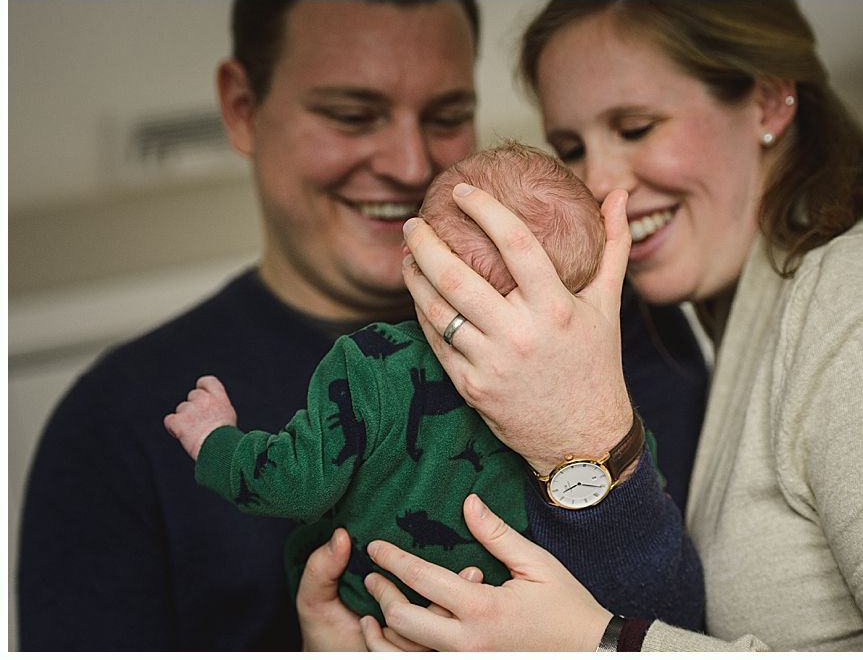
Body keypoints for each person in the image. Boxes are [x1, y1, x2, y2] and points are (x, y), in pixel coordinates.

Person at [298, 0, 863, 652]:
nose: (602, 184)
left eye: (635, 128)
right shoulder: (747, 316)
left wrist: (599, 642)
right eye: (570, 148)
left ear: (769, 100)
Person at [17, 1, 708, 651]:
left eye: (446, 115)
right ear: (242, 108)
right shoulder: (115, 421)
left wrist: (594, 444)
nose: (410, 165)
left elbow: (693, 636)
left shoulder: (625, 344)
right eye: (352, 115)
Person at [162, 141, 704, 630]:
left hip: (374, 623)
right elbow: (635, 516)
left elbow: (294, 484)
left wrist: (216, 441)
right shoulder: (599, 396)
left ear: (419, 268)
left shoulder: (369, 365)